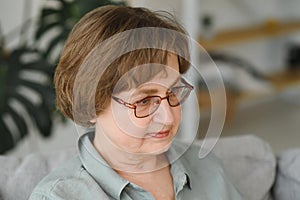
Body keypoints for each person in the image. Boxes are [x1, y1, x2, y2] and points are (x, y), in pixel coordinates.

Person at [29, 5, 242, 200]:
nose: (168, 117)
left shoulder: (206, 166)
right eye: (145, 100)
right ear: (90, 104)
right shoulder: (57, 196)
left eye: (173, 92)